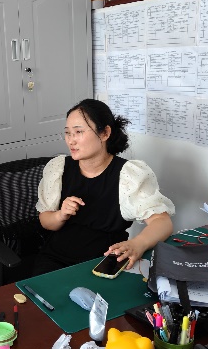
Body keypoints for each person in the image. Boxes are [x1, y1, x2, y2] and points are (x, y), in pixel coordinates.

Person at [34, 99, 174, 276]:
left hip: (104, 262)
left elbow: (162, 222)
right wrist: (60, 215)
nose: (71, 141)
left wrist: (138, 243)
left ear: (105, 133)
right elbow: (45, 221)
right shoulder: (59, 168)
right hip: (55, 260)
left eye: (78, 132)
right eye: (68, 133)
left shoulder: (128, 175)